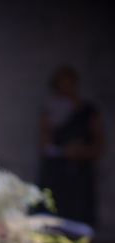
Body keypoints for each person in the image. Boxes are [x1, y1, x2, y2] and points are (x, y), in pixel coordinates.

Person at [37, 66, 105, 227]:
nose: (65, 89)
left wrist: (81, 152)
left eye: (68, 84)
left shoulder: (88, 111)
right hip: (56, 175)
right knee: (53, 222)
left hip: (79, 177)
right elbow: (44, 145)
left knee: (79, 223)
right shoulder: (50, 111)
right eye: (61, 84)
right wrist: (62, 151)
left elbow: (100, 145)